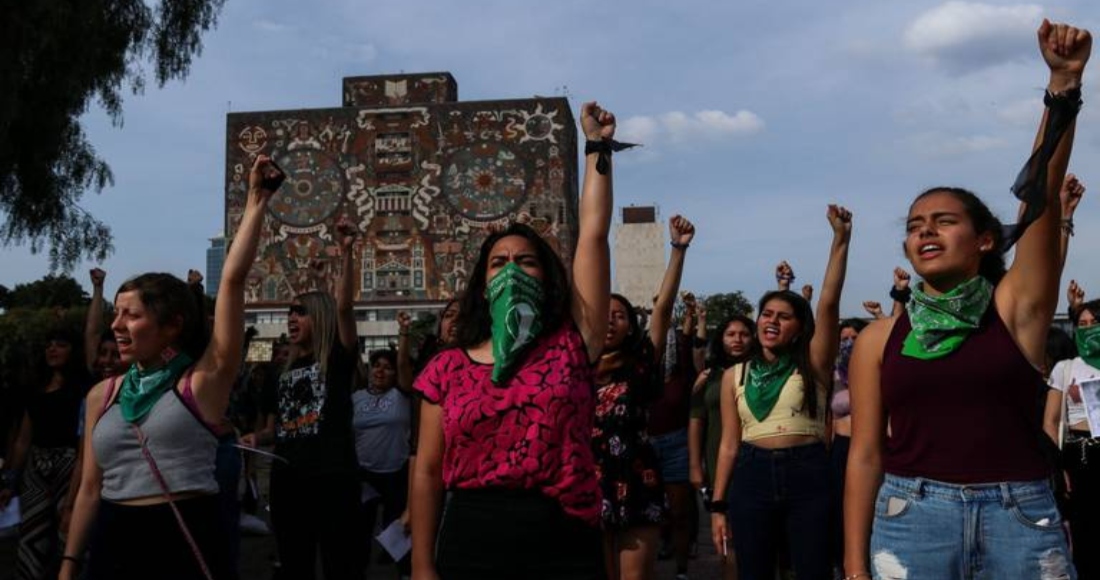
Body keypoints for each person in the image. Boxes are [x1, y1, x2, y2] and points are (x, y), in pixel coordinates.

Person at [844, 20, 1089, 580]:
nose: (925, 231)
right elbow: (863, 457)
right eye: (914, 225)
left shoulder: (1013, 312)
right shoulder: (879, 339)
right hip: (911, 518)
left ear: (984, 239)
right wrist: (855, 565)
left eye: (944, 220)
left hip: (1019, 520)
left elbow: (1041, 201)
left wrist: (1062, 88)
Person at [411, 101, 616, 580]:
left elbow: (593, 236)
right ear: (483, 285)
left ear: (546, 278)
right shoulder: (445, 369)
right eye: (498, 263)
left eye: (525, 261)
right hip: (472, 536)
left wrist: (598, 148)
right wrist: (421, 564)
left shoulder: (571, 345)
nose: (511, 270)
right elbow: (425, 472)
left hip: (563, 535)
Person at [59, 154, 278, 580]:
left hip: (184, 538)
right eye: (115, 313)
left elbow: (232, 281)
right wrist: (69, 563)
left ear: (172, 325)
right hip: (111, 541)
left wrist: (257, 199)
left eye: (131, 315)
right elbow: (89, 489)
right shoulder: (101, 395)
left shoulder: (202, 382)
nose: (117, 326)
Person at [710, 205, 852, 580]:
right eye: (766, 314)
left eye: (783, 316)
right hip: (751, 474)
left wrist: (840, 240)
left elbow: (829, 303)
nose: (771, 321)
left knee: (812, 570)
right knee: (754, 571)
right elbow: (728, 444)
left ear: (799, 328)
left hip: (808, 472)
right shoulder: (734, 375)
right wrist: (717, 506)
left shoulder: (813, 362)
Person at [255, 221, 363, 580]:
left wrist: (345, 252)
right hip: (288, 482)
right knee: (294, 564)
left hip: (332, 478)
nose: (291, 318)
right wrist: (255, 439)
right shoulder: (280, 373)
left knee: (340, 565)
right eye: (289, 313)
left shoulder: (336, 358)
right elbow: (276, 430)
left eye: (299, 312)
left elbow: (344, 308)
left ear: (318, 318)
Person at [596, 215, 693, 580]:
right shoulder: (572, 365)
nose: (610, 321)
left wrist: (678, 250)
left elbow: (663, 310)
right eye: (602, 314)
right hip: (587, 482)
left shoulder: (639, 364)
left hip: (637, 481)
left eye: (619, 315)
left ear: (630, 324)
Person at [0, 327, 90, 580]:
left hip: (71, 468)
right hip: (35, 470)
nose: (52, 349)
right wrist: (10, 480)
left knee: (69, 535)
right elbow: (22, 441)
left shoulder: (83, 389)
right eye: (49, 344)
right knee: (32, 539)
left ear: (73, 351)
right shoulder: (35, 391)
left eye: (60, 344)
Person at [689, 313, 756, 580]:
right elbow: (696, 420)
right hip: (719, 465)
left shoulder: (762, 371)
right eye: (731, 334)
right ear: (721, 339)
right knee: (727, 543)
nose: (737, 340)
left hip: (754, 463)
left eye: (744, 334)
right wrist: (695, 465)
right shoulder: (709, 376)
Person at [1044, 297, 1100, 578]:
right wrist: (1057, 466)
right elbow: (1050, 422)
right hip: (1079, 455)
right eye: (1082, 324)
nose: (1089, 329)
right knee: (1083, 529)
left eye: (1095, 323)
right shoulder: (1065, 368)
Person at [353, 348, 412, 575]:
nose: (380, 370)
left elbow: (405, 367)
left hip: (396, 473)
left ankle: (405, 574)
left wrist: (404, 336)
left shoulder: (403, 395)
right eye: (376, 365)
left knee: (397, 532)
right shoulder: (356, 398)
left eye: (387, 367)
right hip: (364, 475)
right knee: (359, 533)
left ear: (395, 374)